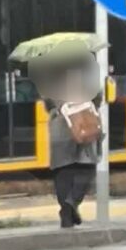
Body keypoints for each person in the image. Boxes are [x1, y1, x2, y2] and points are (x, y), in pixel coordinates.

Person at [46, 58, 102, 229]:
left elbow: (46, 104)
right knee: (87, 167)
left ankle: (67, 214)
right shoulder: (87, 78)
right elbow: (99, 98)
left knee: (63, 171)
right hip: (83, 125)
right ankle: (71, 203)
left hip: (59, 130)